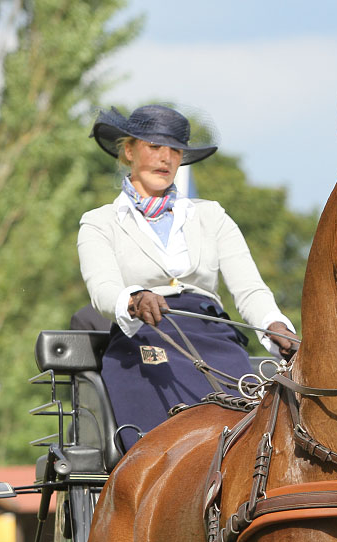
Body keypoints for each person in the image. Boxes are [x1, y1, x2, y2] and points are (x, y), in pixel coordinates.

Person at [77, 104, 298, 438]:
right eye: (154, 147)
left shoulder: (212, 216)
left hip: (214, 336)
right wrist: (135, 299)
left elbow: (249, 288)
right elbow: (103, 288)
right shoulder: (99, 222)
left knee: (253, 438)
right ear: (128, 151)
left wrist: (274, 324)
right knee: (162, 439)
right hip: (145, 336)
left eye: (175, 150)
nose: (165, 158)